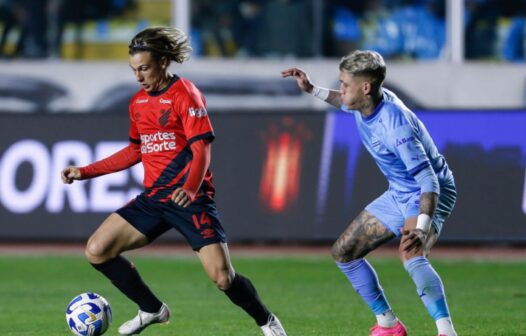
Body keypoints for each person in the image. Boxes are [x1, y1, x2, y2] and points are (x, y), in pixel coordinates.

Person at [61, 26, 287, 336]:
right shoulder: (137, 103)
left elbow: (201, 149)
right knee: (97, 249)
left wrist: (191, 187)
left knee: (222, 278)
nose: (138, 76)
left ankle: (267, 321)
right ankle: (152, 309)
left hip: (190, 200)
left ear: (164, 62)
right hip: (154, 199)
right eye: (133, 70)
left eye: (144, 68)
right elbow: (134, 151)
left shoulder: (185, 94)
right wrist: (84, 172)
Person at [282, 50, 458, 336]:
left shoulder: (395, 125)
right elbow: (343, 101)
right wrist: (311, 89)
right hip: (400, 191)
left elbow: (429, 181)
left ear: (365, 88)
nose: (341, 88)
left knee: (411, 253)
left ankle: (446, 331)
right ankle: (388, 325)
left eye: (345, 83)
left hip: (427, 190)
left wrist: (423, 227)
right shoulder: (365, 102)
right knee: (344, 252)